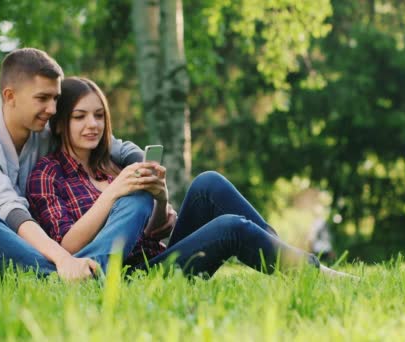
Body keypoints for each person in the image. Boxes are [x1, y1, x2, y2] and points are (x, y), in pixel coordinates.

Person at [28, 77, 355, 279]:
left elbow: (156, 229)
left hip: (158, 255)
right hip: (131, 275)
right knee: (231, 228)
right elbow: (66, 246)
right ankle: (310, 272)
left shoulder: (111, 165)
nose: (93, 125)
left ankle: (279, 254)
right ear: (59, 124)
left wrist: (160, 198)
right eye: (80, 116)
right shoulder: (47, 174)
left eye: (99, 116)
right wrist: (113, 194)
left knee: (208, 183)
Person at [0, 48, 172, 281]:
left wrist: (146, 178)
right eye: (42, 98)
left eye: (55, 98)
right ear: (10, 96)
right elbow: (10, 211)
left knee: (132, 193)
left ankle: (79, 275)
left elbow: (120, 148)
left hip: (39, 255)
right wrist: (64, 260)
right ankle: (65, 277)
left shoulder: (46, 130)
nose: (52, 109)